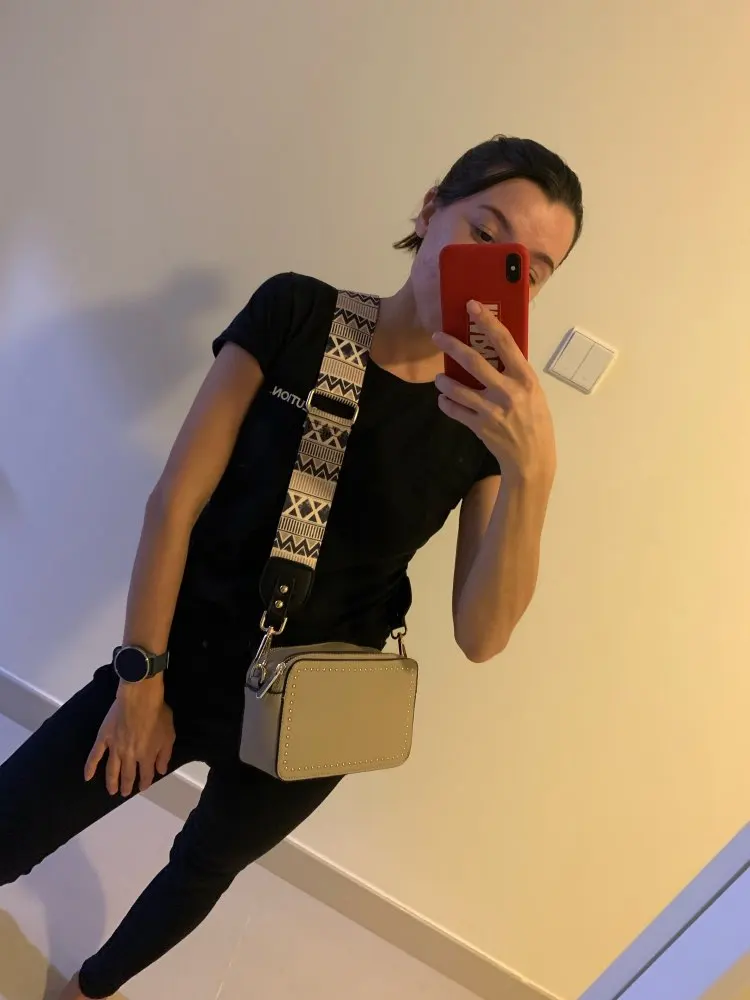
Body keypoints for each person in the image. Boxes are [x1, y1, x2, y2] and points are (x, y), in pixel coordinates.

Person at [0, 135, 583, 999]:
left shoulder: (484, 418)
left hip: (317, 698)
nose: (503, 271)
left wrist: (533, 474)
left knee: (202, 867)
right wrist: (140, 684)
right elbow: (174, 503)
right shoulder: (299, 312)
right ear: (431, 210)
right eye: (486, 231)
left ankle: (91, 990)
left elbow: (482, 636)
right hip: (181, 653)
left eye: (530, 270)